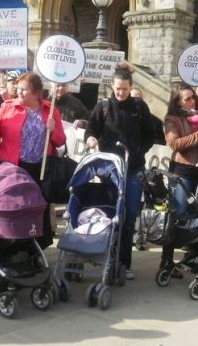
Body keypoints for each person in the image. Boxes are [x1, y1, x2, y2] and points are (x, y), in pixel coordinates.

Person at [84, 64, 155, 280]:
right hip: (109, 170)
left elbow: (150, 134)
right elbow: (91, 130)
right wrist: (91, 138)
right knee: (109, 214)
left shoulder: (139, 107)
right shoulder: (103, 107)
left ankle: (124, 262)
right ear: (112, 87)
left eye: (124, 89)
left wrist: (137, 151)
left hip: (133, 170)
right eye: (117, 88)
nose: (120, 92)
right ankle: (105, 256)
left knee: (129, 215)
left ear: (130, 86)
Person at [0, 72, 66, 248]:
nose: (19, 93)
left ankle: (35, 248)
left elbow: (60, 141)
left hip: (40, 168)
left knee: (37, 209)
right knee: (16, 207)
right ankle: (13, 245)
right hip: (14, 167)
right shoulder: (7, 107)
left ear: (36, 92)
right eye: (18, 89)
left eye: (24, 90)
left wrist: (52, 130)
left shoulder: (50, 111)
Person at [159, 84, 198, 277]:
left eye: (192, 97)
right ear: (177, 102)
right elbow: (174, 143)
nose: (192, 101)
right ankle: (167, 262)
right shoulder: (173, 119)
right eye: (186, 99)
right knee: (177, 214)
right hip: (184, 172)